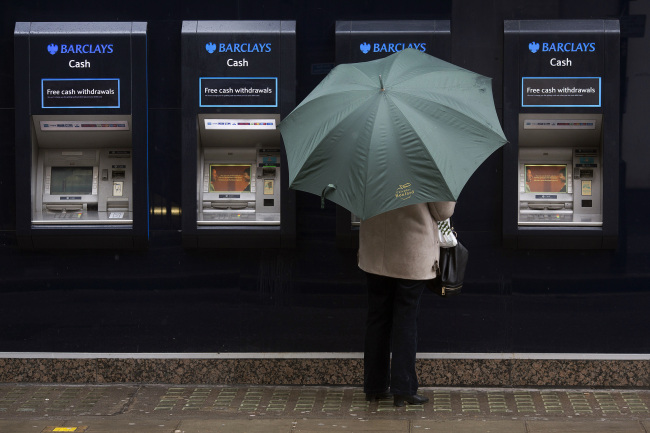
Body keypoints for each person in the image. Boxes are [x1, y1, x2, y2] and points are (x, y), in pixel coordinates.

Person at [358, 201, 456, 407]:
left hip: (375, 250)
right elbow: (442, 211)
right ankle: (403, 389)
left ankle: (374, 387)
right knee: (406, 318)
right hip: (411, 250)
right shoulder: (426, 167)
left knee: (377, 317)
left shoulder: (369, 167)